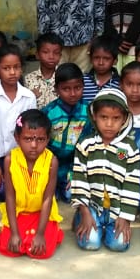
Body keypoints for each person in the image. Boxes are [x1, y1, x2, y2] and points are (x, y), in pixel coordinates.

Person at [71, 88, 140, 252]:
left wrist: (125, 217)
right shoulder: (85, 145)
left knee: (119, 244)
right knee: (90, 243)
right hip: (92, 206)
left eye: (116, 118)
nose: (109, 124)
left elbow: (132, 183)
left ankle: (107, 225)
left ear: (124, 119)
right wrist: (85, 211)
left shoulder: (128, 148)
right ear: (94, 116)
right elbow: (79, 179)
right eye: (104, 117)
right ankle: (81, 216)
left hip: (117, 209)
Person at [0, 109, 65, 258]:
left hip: (41, 214)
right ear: (17, 138)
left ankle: (51, 231)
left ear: (48, 139)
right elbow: (10, 197)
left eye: (40, 139)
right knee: (10, 247)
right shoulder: (10, 160)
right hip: (19, 213)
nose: (34, 145)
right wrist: (14, 233)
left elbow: (48, 199)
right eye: (28, 139)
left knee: (42, 251)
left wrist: (40, 234)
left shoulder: (51, 162)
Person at [0, 44, 37, 200]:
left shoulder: (28, 97)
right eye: (6, 68)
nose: (12, 72)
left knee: (26, 189)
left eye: (16, 67)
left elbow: (32, 131)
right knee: (0, 191)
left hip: (22, 156)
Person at [41, 63, 89, 202]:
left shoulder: (89, 112)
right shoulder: (49, 112)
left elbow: (88, 147)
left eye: (77, 88)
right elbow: (43, 145)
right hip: (51, 164)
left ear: (83, 86)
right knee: (48, 197)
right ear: (56, 89)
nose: (72, 93)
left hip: (74, 165)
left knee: (69, 196)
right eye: (66, 89)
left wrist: (76, 174)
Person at [23, 32, 64, 109]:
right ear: (37, 55)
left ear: (60, 56)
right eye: (45, 52)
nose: (51, 57)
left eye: (56, 53)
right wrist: (31, 96)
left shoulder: (64, 76)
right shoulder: (28, 79)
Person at [82, 35, 121, 104]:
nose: (101, 63)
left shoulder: (120, 83)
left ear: (115, 61)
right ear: (90, 59)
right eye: (96, 58)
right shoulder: (82, 81)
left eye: (106, 58)